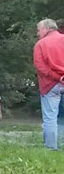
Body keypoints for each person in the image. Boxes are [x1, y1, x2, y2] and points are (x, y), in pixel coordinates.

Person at [32, 18, 64, 150]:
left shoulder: (40, 44)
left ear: (46, 29)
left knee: (50, 118)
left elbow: (40, 67)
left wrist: (57, 77)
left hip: (50, 86)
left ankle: (51, 148)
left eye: (38, 30)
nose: (37, 33)